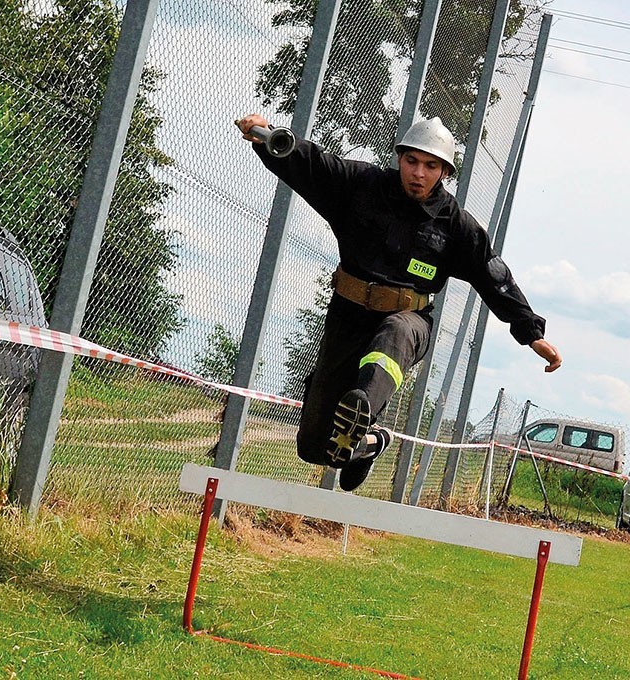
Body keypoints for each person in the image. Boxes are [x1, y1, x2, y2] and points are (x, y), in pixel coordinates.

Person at [238, 114, 562, 492]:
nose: (419, 173)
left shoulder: (456, 225)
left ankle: (363, 407)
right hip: (348, 317)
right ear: (399, 158)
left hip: (409, 320)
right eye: (412, 161)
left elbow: (493, 275)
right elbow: (312, 164)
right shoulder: (361, 186)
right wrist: (265, 138)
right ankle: (369, 442)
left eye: (431, 166)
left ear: (444, 171)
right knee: (313, 446)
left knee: (395, 332)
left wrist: (530, 332)